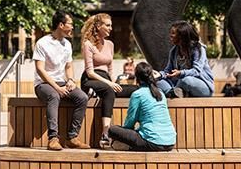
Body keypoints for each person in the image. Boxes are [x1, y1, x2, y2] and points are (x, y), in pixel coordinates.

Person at [33, 10, 90, 151]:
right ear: (61, 25)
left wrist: (70, 79)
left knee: (82, 97)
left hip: (62, 82)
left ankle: (72, 138)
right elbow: (40, 69)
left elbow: (69, 66)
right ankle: (53, 139)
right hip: (43, 84)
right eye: (70, 24)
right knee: (53, 95)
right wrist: (57, 88)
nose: (72, 27)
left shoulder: (67, 44)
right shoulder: (42, 43)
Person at [108, 62, 175, 152]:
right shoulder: (160, 93)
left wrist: (125, 135)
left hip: (153, 143)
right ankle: (128, 145)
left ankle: (127, 146)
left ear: (137, 77)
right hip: (170, 142)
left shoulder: (137, 94)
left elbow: (130, 123)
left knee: (112, 130)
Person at [80, 13, 122, 148]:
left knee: (132, 90)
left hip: (106, 79)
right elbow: (90, 72)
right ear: (98, 26)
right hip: (91, 79)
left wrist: (115, 82)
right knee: (109, 90)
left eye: (111, 25)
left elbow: (110, 70)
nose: (111, 28)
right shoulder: (88, 44)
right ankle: (105, 132)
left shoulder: (110, 44)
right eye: (108, 25)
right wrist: (110, 84)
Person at [157, 21, 214, 98]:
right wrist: (159, 74)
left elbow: (197, 71)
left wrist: (180, 73)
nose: (170, 35)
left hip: (202, 86)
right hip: (178, 84)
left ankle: (172, 92)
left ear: (181, 35)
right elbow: (168, 70)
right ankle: (174, 92)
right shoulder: (174, 51)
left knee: (186, 80)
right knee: (158, 82)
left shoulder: (198, 49)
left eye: (173, 33)